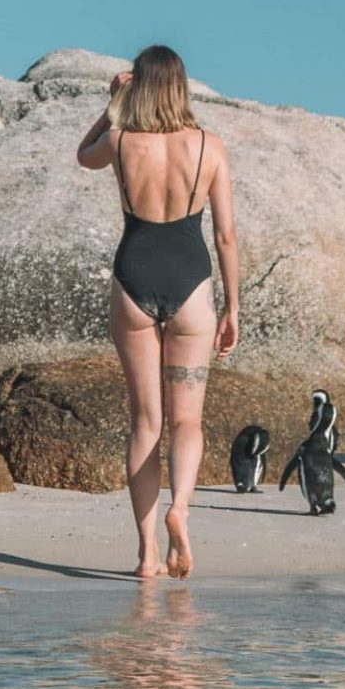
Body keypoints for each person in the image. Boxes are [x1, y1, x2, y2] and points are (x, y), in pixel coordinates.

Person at [77, 45, 239, 578]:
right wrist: (233, 306)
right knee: (187, 421)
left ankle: (147, 553)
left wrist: (112, 104)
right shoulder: (208, 145)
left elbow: (84, 154)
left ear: (140, 87)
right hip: (191, 282)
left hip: (133, 276)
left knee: (145, 423)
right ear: (182, 87)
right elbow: (225, 235)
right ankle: (180, 511)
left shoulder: (121, 142)